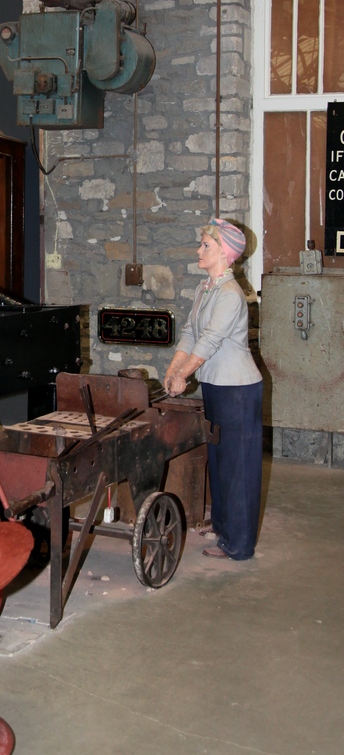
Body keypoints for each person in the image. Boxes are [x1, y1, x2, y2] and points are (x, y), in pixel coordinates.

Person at [163, 218, 262, 561]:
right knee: (219, 459)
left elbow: (210, 341)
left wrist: (185, 375)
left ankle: (239, 544)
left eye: (205, 245)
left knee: (238, 466)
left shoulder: (230, 294)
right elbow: (190, 332)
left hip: (238, 389)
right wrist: (173, 368)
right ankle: (223, 526)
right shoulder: (206, 289)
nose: (198, 250)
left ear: (225, 252)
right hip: (216, 386)